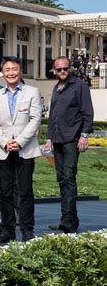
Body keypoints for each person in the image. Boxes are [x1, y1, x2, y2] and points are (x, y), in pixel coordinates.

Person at [0, 56, 42, 243]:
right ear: (2, 73)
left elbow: (35, 119)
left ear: (20, 71)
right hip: (3, 150)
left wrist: (19, 142)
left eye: (14, 69)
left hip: (25, 149)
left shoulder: (32, 92)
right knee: (5, 192)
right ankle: (7, 230)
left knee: (25, 191)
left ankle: (27, 230)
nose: (11, 73)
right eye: (7, 70)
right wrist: (5, 142)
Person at [44, 56, 94, 234]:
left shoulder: (79, 85)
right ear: (54, 71)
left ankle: (69, 222)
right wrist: (49, 137)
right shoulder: (57, 88)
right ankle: (67, 219)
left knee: (69, 178)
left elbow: (87, 112)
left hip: (72, 139)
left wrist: (84, 135)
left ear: (70, 68)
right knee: (61, 179)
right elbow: (53, 116)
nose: (63, 72)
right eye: (59, 69)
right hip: (57, 140)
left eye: (65, 69)